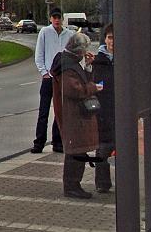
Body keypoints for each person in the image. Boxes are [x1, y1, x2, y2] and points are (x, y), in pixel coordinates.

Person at [50, 32, 102, 198]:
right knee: (75, 151)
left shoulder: (69, 63)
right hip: (72, 115)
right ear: (79, 50)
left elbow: (81, 83)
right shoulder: (67, 66)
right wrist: (94, 87)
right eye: (84, 49)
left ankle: (74, 185)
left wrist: (87, 67)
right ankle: (72, 186)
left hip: (74, 114)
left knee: (78, 150)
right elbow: (75, 90)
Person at [33, 8, 74, 153]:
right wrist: (44, 72)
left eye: (59, 18)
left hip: (62, 78)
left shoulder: (69, 34)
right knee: (43, 112)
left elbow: (72, 55)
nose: (56, 20)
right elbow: (39, 54)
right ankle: (39, 142)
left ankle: (57, 141)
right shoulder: (45, 32)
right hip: (49, 78)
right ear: (50, 19)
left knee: (59, 111)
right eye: (54, 17)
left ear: (62, 19)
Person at [92, 23, 115, 193]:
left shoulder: (126, 58)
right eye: (110, 37)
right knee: (103, 148)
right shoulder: (99, 60)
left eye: (115, 37)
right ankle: (102, 183)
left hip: (121, 109)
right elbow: (96, 84)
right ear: (105, 39)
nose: (112, 41)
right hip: (104, 109)